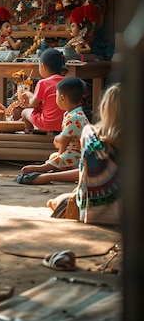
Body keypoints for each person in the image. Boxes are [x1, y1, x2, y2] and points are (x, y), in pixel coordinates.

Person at [47, 83, 121, 225]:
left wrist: (46, 175)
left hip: (92, 214)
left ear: (105, 108)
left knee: (61, 201)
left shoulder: (90, 134)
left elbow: (84, 179)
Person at [17, 77, 89, 184]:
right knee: (54, 157)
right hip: (74, 151)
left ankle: (43, 168)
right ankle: (55, 167)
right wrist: (60, 152)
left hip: (80, 154)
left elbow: (63, 140)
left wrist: (57, 139)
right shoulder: (73, 113)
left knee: (61, 158)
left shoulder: (75, 117)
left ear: (62, 98)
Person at [21, 47, 68, 132]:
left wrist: (28, 94)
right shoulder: (68, 82)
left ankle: (32, 133)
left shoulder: (43, 83)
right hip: (66, 123)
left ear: (43, 66)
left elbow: (33, 104)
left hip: (47, 124)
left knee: (24, 112)